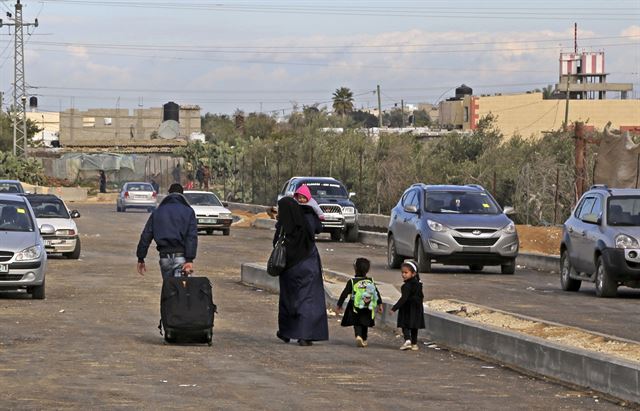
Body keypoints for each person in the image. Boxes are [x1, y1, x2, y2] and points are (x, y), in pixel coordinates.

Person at [274, 196, 328, 346]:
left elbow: (276, 243)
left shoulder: (283, 224)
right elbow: (318, 228)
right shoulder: (306, 220)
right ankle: (305, 335)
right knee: (307, 300)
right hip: (308, 265)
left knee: (288, 300)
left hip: (288, 268)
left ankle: (286, 332)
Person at [136, 183, 198, 280]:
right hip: (181, 258)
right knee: (181, 290)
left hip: (164, 258)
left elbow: (146, 235)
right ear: (182, 194)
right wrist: (189, 259)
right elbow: (191, 237)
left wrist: (141, 257)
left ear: (169, 194)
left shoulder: (158, 212)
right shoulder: (188, 211)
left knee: (169, 289)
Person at [336, 257, 382, 348]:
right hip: (368, 306)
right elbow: (376, 293)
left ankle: (358, 335)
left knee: (357, 322)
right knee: (365, 323)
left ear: (355, 268)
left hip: (355, 306)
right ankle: (364, 339)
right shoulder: (370, 281)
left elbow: (344, 294)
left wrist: (339, 305)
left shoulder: (352, 281)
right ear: (367, 270)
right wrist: (379, 304)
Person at [391, 260, 425, 351]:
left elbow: (404, 298)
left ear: (413, 274)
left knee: (405, 324)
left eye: (406, 272)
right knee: (414, 326)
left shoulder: (406, 286)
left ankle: (407, 340)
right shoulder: (419, 285)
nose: (403, 274)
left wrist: (394, 308)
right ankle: (414, 344)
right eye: (402, 272)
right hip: (417, 308)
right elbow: (421, 296)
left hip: (407, 308)